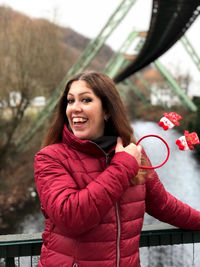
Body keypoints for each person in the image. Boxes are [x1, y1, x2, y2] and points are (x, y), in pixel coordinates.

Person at [34, 71, 200, 267]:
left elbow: (163, 205)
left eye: (86, 100)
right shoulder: (50, 157)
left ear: (107, 111)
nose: (74, 108)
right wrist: (122, 166)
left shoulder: (133, 154)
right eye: (70, 101)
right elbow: (70, 217)